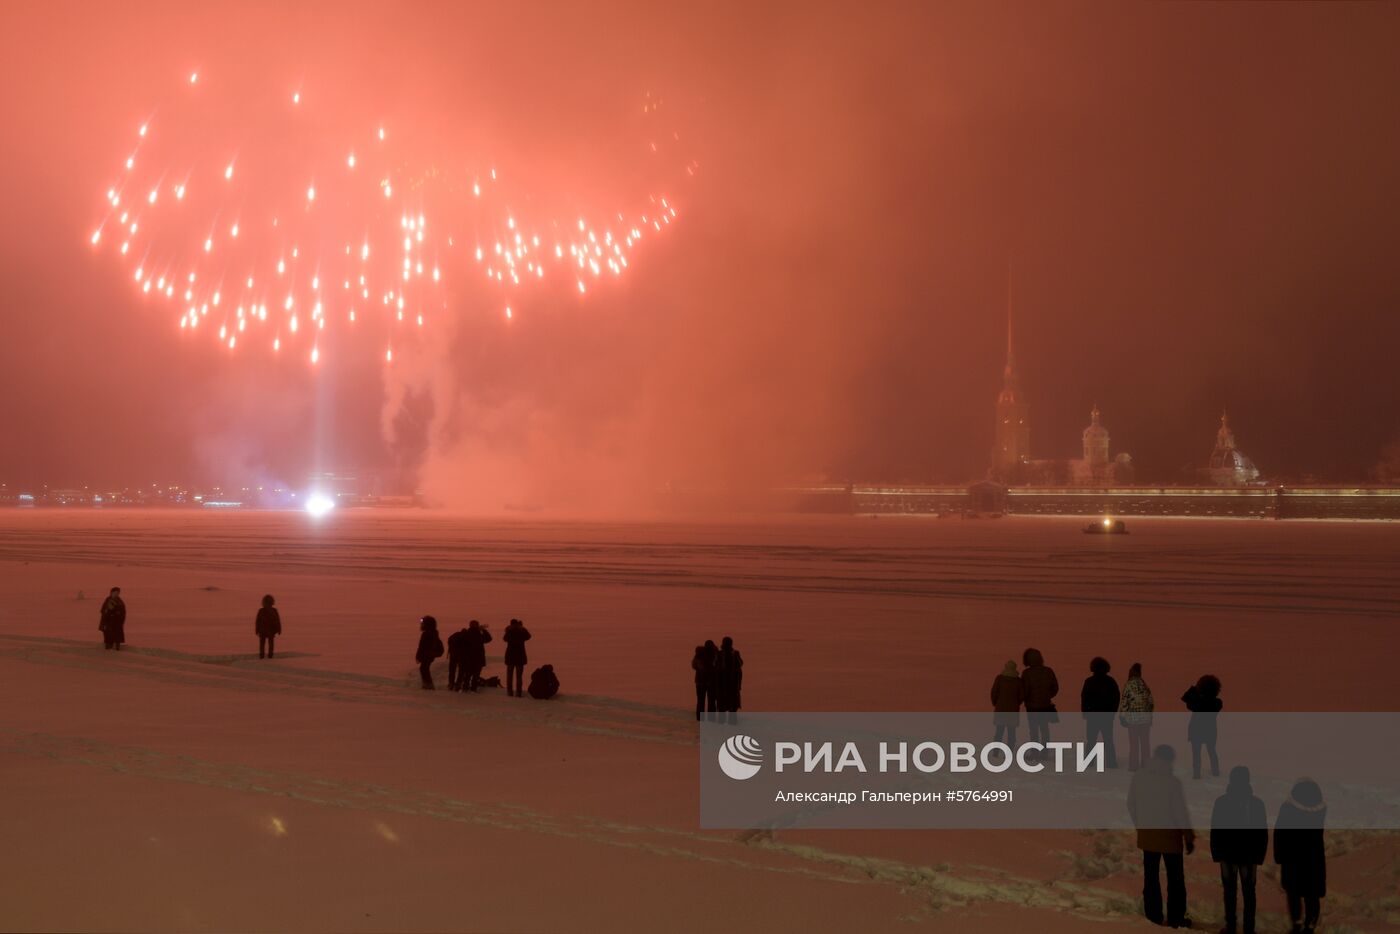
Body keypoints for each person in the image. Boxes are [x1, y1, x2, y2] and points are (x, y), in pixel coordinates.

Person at [1127, 745, 1195, 928]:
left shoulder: (1139, 777)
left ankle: (1153, 915)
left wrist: (1140, 825)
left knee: (1151, 878)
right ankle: (1176, 918)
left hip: (1147, 835)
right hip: (1170, 838)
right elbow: (1180, 813)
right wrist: (1188, 836)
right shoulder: (1172, 783)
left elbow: (1131, 804)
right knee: (1175, 880)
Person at [1210, 765, 1268, 934]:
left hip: (1227, 855)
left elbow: (1216, 830)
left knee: (1229, 892)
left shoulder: (1221, 802)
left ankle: (1231, 926)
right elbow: (1262, 833)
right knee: (1249, 893)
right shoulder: (1257, 803)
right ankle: (1249, 928)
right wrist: (1259, 855)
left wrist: (1216, 853)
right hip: (1249, 856)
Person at [1275, 778, 1327, 933]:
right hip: (1314, 858)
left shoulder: (1287, 809)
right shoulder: (1320, 811)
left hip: (1292, 857)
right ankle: (1310, 926)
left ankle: (1296, 924)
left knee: (1294, 892)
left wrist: (1279, 856)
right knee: (1312, 894)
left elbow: (1280, 834)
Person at [1080, 656, 1121, 768]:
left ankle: (1089, 761)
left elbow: (1084, 698)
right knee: (1108, 740)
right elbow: (1116, 698)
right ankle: (1111, 762)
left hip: (1092, 716)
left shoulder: (1089, 681)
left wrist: (1085, 712)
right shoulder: (1111, 681)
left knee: (1091, 740)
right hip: (1106, 716)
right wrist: (1112, 712)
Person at [1183, 674, 1224, 779]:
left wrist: (1195, 688)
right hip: (1210, 731)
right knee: (1212, 751)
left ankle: (1196, 774)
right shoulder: (1217, 703)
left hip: (1196, 730)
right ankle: (1215, 772)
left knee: (1196, 754)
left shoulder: (1197, 703)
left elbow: (1185, 698)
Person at [1020, 647, 1059, 750]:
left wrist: (1026, 700)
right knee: (1044, 729)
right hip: (1045, 705)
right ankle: (1045, 751)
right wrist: (1047, 696)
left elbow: (1025, 690)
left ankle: (1035, 752)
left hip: (1032, 706)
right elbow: (1055, 688)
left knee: (1033, 730)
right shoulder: (1048, 671)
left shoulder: (1026, 673)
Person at [1119, 662, 1155, 771]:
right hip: (1145, 719)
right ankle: (1146, 765)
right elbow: (1151, 702)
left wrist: (1122, 716)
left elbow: (1124, 702)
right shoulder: (1144, 685)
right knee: (1145, 743)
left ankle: (1133, 766)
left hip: (1133, 719)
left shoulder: (1129, 685)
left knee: (1134, 744)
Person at [990, 660, 1023, 747]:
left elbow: (994, 692)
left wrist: (995, 703)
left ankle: (996, 751)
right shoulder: (1018, 681)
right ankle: (1009, 751)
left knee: (999, 732)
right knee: (1011, 733)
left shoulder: (999, 678)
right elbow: (1021, 696)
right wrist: (1016, 704)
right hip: (1013, 710)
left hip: (1001, 709)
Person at [714, 636, 743, 724]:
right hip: (728, 682)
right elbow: (740, 664)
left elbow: (715, 666)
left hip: (726, 682)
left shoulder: (722, 654)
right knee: (729, 706)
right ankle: (730, 724)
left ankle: (724, 724)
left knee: (725, 706)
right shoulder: (733, 653)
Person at [502, 618, 531, 697]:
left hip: (510, 656)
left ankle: (509, 692)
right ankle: (518, 693)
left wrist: (508, 629)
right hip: (520, 657)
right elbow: (528, 636)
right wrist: (522, 628)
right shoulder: (521, 631)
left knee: (509, 676)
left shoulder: (510, 631)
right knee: (519, 677)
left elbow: (505, 638)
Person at [461, 619, 492, 692]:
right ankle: (473, 688)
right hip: (478, 658)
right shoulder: (478, 634)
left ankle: (465, 688)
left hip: (469, 658)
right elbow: (488, 639)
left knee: (468, 674)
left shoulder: (467, 633)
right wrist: (483, 630)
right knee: (476, 675)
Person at [415, 616, 443, 690]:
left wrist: (419, 656)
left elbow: (422, 646)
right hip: (429, 655)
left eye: (423, 623)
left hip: (427, 655)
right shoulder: (433, 633)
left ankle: (428, 685)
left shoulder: (428, 634)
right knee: (424, 669)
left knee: (423, 669)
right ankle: (427, 685)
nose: (422, 625)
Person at [254, 594, 282, 659]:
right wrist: (279, 629)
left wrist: (257, 630)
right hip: (267, 631)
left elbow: (277, 620)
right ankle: (267, 656)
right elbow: (258, 621)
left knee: (265, 644)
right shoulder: (265, 611)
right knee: (267, 644)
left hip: (267, 631)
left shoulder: (263, 611)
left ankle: (264, 656)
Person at [99, 587, 126, 651]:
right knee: (107, 634)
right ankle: (108, 647)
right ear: (111, 592)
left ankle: (117, 648)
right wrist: (107, 611)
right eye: (115, 592)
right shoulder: (107, 599)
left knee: (117, 635)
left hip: (116, 621)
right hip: (107, 621)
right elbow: (102, 609)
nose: (116, 594)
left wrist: (116, 612)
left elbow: (122, 611)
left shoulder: (120, 601)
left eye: (117, 593)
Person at [693, 644, 715, 721]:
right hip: (710, 683)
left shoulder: (698, 656)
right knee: (711, 701)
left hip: (700, 683)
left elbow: (694, 666)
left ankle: (699, 719)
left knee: (700, 701)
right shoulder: (714, 656)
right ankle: (711, 719)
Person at [446, 625, 471, 691]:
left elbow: (449, 641)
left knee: (452, 670)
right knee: (461, 671)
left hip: (453, 655)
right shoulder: (467, 637)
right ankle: (458, 684)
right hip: (462, 656)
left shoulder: (455, 635)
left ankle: (451, 684)